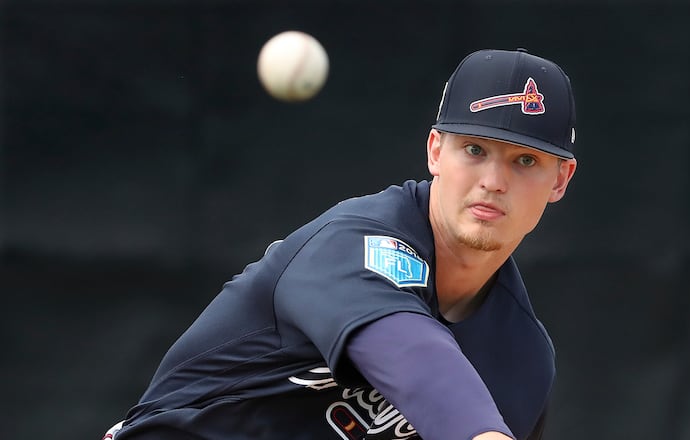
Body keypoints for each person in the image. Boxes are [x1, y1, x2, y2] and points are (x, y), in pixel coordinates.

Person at [106, 47, 578, 440]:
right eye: (474, 150)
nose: (493, 180)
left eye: (525, 161)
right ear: (436, 151)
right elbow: (412, 354)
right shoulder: (352, 243)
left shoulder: (522, 358)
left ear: (560, 180)